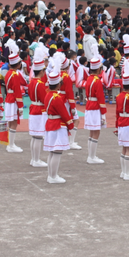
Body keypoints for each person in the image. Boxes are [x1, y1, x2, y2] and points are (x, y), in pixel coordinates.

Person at [43, 54, 74, 185]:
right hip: (57, 125)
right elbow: (64, 114)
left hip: (50, 123)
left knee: (52, 152)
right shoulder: (57, 98)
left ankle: (51, 175)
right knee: (57, 152)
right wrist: (70, 124)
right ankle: (53, 176)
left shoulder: (48, 95)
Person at [82, 51, 107, 164]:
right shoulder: (97, 81)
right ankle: (92, 157)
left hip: (89, 106)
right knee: (96, 132)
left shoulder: (89, 79)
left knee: (92, 133)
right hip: (95, 107)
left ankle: (91, 156)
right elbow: (101, 98)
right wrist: (103, 113)